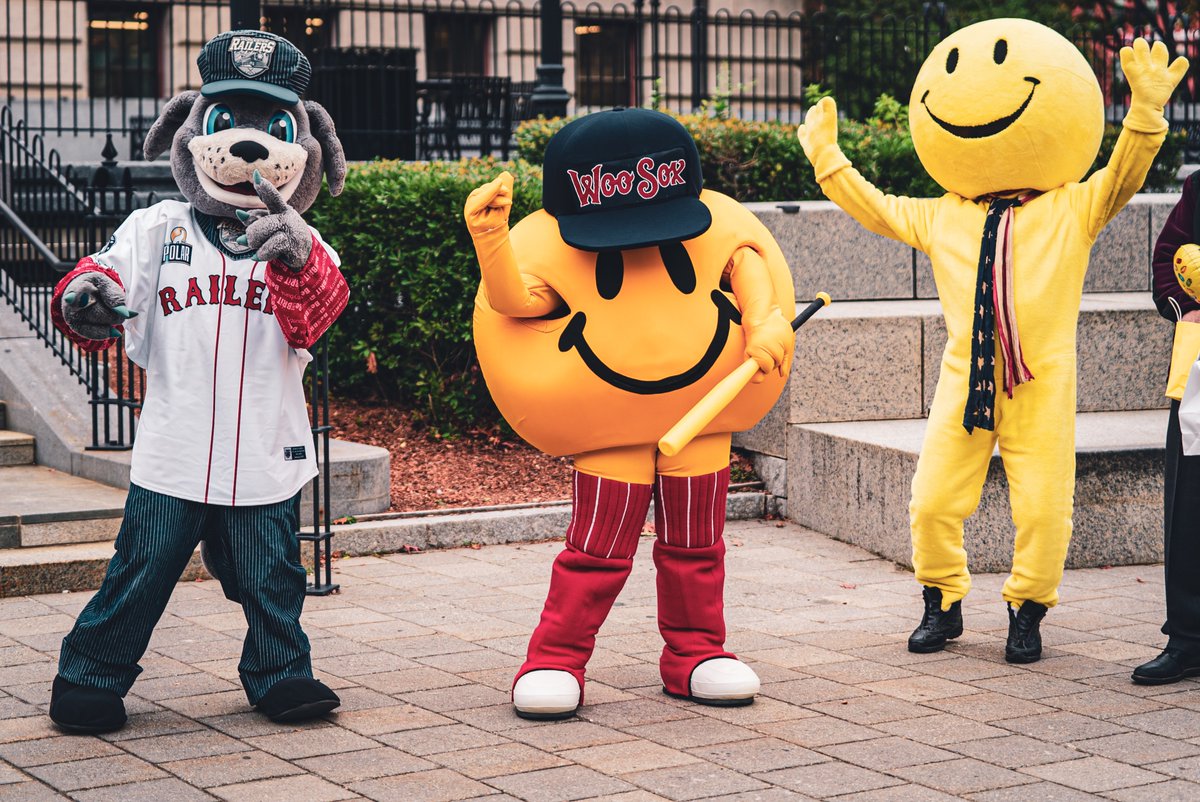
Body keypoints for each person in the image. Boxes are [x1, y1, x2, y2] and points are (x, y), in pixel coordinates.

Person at [798, 19, 1186, 662]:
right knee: (931, 501)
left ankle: (1027, 610)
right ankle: (942, 603)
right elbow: (878, 208)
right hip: (963, 380)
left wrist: (1144, 115)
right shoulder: (945, 214)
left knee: (1042, 509)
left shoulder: (1071, 208)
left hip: (1041, 381)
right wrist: (828, 160)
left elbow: (1123, 175)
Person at [47, 30, 348, 733]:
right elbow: (102, 275)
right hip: (174, 450)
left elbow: (317, 319)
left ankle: (280, 674)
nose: (247, 145)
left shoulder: (303, 242)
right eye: (225, 122)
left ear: (309, 142)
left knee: (272, 578)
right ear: (189, 128)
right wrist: (86, 297)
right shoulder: (158, 227)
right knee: (141, 569)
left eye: (272, 127)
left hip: (264, 453)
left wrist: (297, 260)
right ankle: (90, 675)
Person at [1133, 171, 1200, 684]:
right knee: (1190, 510)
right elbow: (1167, 259)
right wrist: (1188, 306)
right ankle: (1188, 639)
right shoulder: (1199, 187)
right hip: (1199, 375)